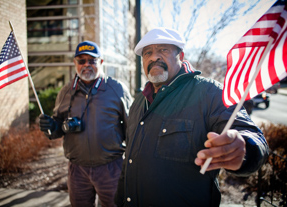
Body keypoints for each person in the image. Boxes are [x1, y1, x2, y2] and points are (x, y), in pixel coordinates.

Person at [115, 28, 269, 207]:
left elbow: (252, 135)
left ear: (181, 55)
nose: (153, 57)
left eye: (162, 49)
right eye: (147, 53)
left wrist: (244, 149)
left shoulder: (209, 92)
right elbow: (129, 162)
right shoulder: (139, 101)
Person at [39, 40, 132, 207]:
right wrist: (51, 127)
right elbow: (58, 125)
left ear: (101, 62)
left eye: (92, 60)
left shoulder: (117, 89)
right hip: (77, 171)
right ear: (75, 63)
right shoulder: (66, 91)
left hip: (111, 169)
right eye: (81, 61)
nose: (87, 65)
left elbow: (131, 129)